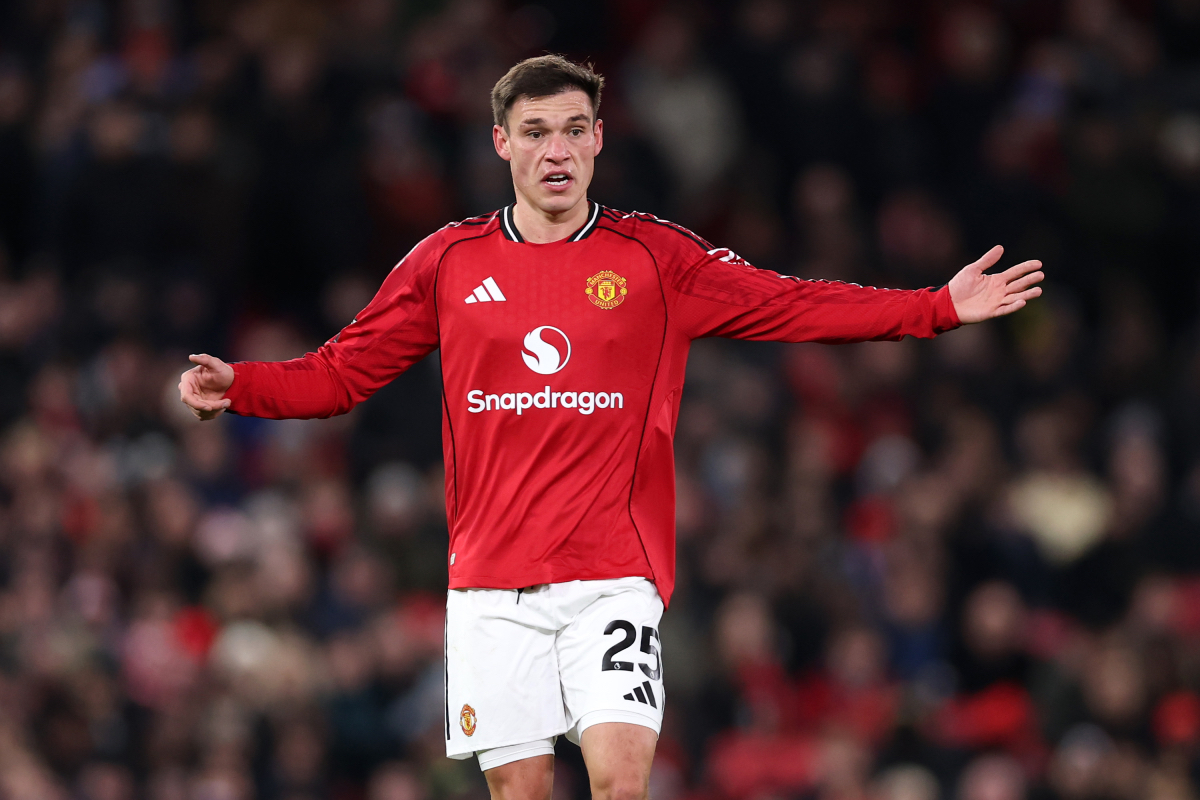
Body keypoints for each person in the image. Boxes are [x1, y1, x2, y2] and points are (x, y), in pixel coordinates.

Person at [179, 55, 1043, 800]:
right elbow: (341, 371)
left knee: (618, 778)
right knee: (521, 790)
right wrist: (244, 385)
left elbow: (790, 303)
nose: (556, 148)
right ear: (501, 144)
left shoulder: (655, 260)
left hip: (610, 578)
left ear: (598, 141)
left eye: (574, 128)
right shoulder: (448, 262)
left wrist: (933, 307)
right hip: (489, 586)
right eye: (536, 130)